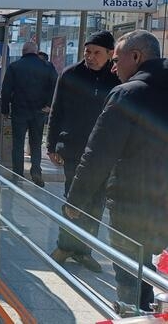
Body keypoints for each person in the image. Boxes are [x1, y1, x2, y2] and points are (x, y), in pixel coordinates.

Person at [64, 30, 168, 311]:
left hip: (131, 201)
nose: (113, 67)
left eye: (117, 59)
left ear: (136, 57)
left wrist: (76, 201)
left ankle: (135, 315)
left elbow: (98, 154)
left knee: (131, 274)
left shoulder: (127, 94)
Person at [48, 31, 120, 271]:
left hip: (105, 153)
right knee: (73, 199)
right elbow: (56, 111)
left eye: (96, 53)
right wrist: (51, 145)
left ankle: (84, 250)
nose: (90, 56)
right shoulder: (70, 75)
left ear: (110, 54)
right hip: (74, 149)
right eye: (87, 51)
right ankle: (65, 245)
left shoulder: (117, 79)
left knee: (96, 204)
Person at [0, 41, 58, 187]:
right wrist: (49, 105)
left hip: (19, 110)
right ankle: (36, 172)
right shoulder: (47, 66)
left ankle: (17, 174)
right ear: (36, 51)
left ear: (23, 52)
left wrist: (5, 110)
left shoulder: (14, 67)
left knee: (18, 143)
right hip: (39, 111)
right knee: (36, 143)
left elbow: (6, 90)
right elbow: (56, 86)